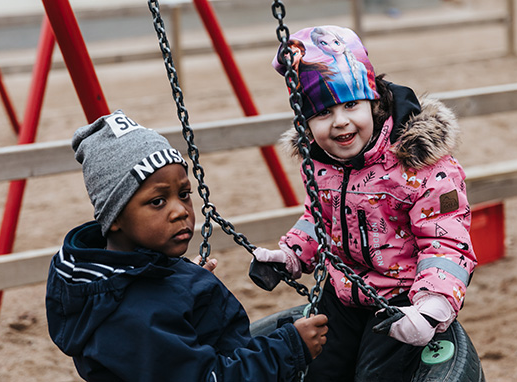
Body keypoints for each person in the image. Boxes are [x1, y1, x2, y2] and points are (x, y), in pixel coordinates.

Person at [256, 26, 477, 381]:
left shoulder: (421, 167)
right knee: (320, 372)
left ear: (372, 102)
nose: (340, 121)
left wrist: (433, 305)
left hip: (401, 301)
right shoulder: (320, 163)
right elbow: (318, 217)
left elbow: (446, 241)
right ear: (306, 121)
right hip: (341, 296)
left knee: (376, 376)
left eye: (351, 105)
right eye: (323, 113)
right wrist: (292, 254)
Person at [45, 110, 328, 382]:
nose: (180, 211)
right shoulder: (137, 319)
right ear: (114, 216)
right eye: (158, 201)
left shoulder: (132, 270)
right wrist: (288, 349)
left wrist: (178, 283)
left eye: (184, 194)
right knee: (311, 329)